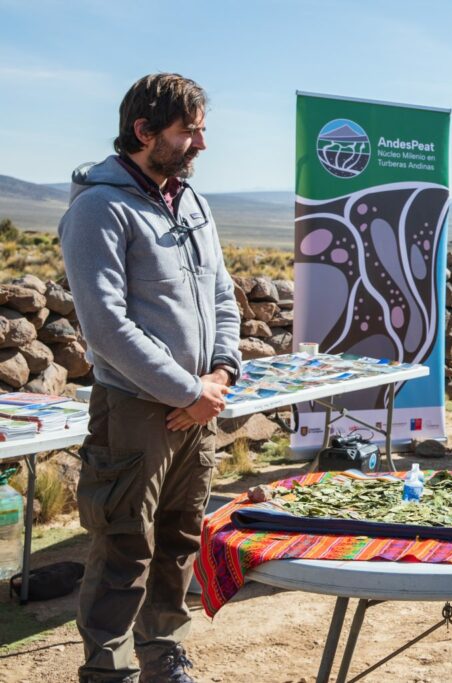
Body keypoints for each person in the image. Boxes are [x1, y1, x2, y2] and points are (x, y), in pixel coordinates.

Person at [59, 73, 241, 683]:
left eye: (201, 130)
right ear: (144, 132)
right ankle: (108, 671)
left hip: (198, 405)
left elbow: (223, 295)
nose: (201, 145)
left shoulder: (191, 201)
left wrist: (219, 374)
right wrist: (189, 392)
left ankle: (164, 655)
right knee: (122, 547)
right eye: (189, 132)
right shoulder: (98, 209)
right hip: (138, 409)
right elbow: (106, 328)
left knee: (180, 539)